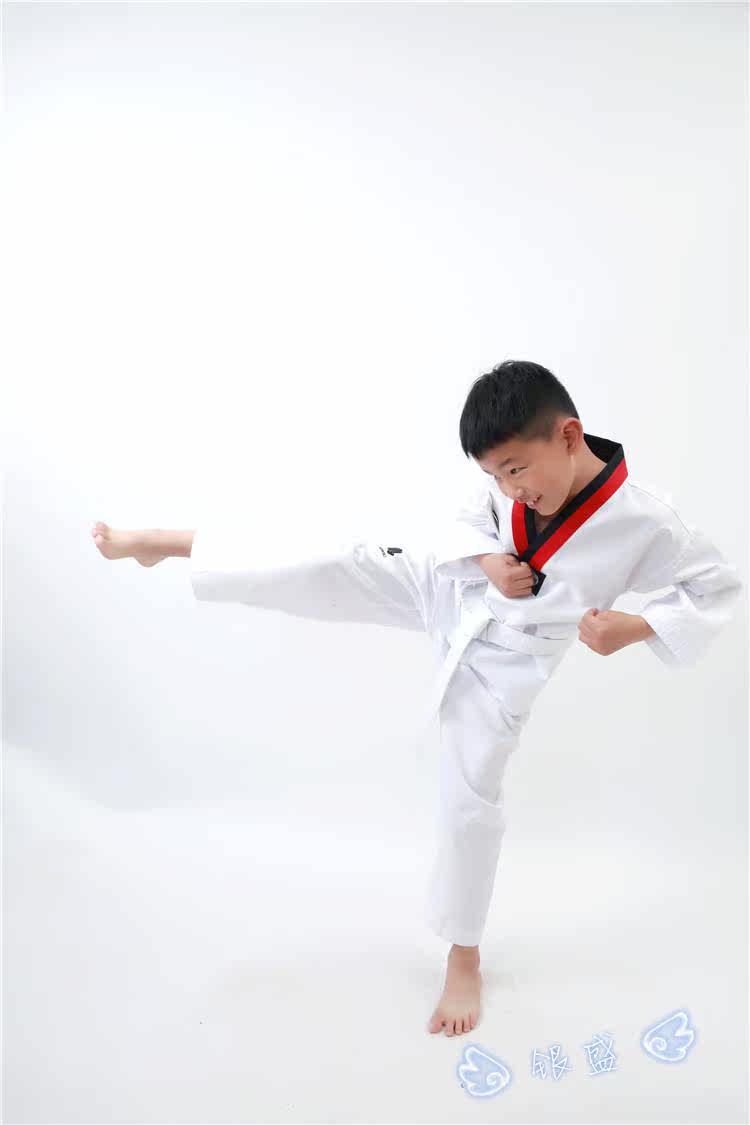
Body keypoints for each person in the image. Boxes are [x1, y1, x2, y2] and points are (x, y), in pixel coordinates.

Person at [90, 359, 743, 1039]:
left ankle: (464, 957)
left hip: (508, 662)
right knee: (332, 559)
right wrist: (488, 560)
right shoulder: (506, 485)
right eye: (496, 475)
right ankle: (172, 545)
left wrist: (634, 628)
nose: (510, 488)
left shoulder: (647, 521)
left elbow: (715, 586)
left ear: (569, 435)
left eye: (516, 470)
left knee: (469, 802)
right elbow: (470, 516)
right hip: (452, 585)